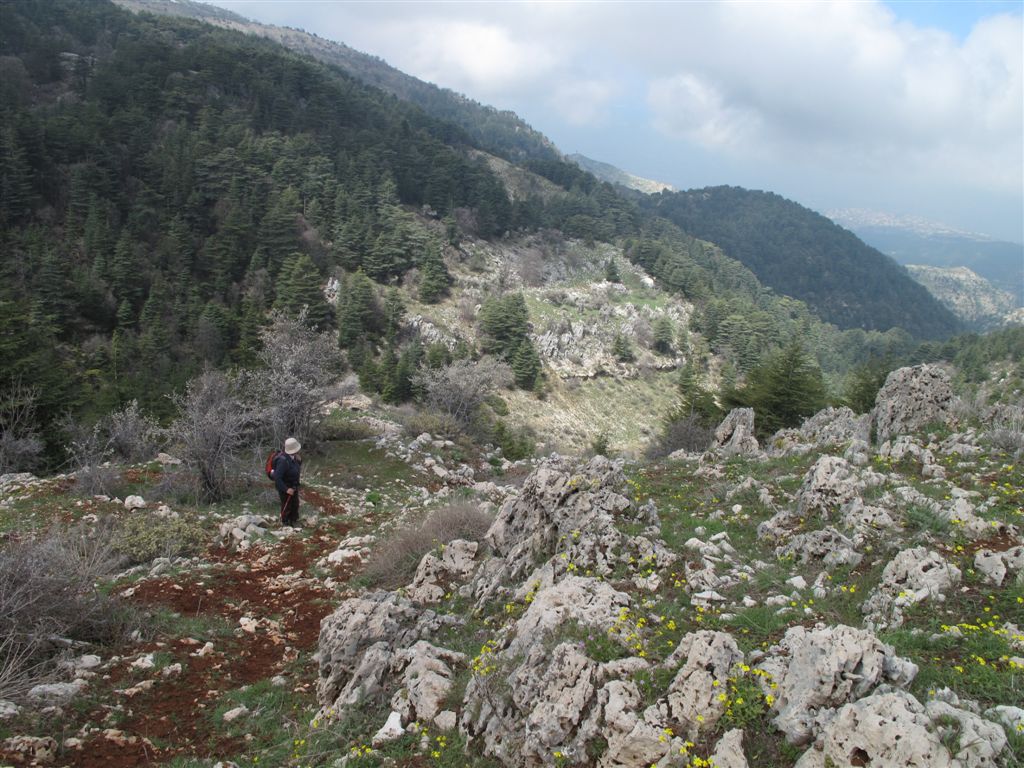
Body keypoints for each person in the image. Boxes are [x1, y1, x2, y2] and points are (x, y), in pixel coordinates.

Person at [274, 437, 302, 526]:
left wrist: (299, 461)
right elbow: (277, 478)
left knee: (295, 504)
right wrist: (286, 489)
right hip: (285, 487)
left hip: (293, 485)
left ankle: (294, 521)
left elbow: (295, 468)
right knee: (287, 505)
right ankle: (285, 523)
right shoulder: (282, 461)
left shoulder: (294, 457)